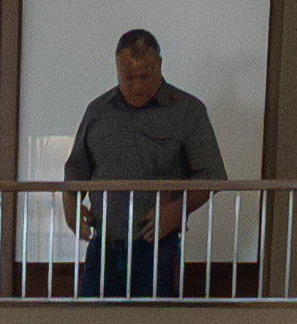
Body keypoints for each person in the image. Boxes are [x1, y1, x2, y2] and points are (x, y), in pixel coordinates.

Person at [59, 24, 221, 297]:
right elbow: (76, 169)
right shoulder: (98, 111)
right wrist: (70, 206)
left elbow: (213, 177)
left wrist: (177, 210)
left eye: (144, 76)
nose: (136, 86)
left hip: (157, 247)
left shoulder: (188, 111)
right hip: (104, 246)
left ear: (158, 65)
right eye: (128, 77)